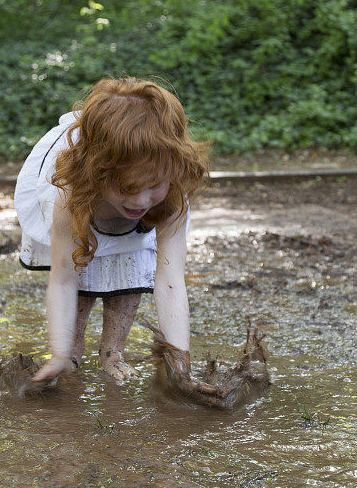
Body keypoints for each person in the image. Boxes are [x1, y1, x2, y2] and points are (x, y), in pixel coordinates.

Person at [14, 77, 214, 392]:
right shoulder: (67, 191)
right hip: (86, 210)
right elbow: (64, 279)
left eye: (153, 186)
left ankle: (112, 352)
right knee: (81, 265)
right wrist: (58, 353)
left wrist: (180, 367)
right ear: (97, 172)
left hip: (128, 226)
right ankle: (72, 353)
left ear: (173, 169)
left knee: (132, 264)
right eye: (126, 188)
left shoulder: (171, 193)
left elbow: (170, 280)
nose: (139, 201)